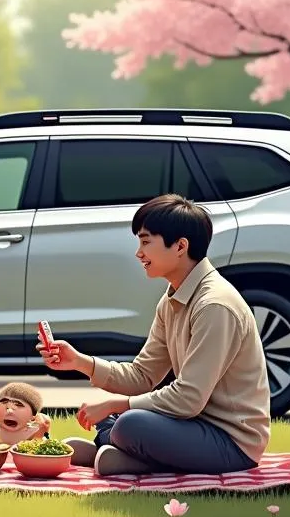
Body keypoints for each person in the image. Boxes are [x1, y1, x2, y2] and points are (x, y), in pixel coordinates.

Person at [38, 193, 271, 477]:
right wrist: (80, 362)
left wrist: (118, 405)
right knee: (121, 418)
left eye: (146, 241)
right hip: (189, 426)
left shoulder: (214, 306)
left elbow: (188, 398)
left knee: (128, 422)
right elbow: (142, 376)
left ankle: (122, 452)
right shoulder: (172, 300)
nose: (139, 252)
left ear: (180, 246)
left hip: (230, 443)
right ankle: (117, 450)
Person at [0, 382, 51, 446]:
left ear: (33, 416)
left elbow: (38, 447)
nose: (9, 410)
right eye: (4, 402)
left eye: (19, 404)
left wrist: (41, 431)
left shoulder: (31, 431)